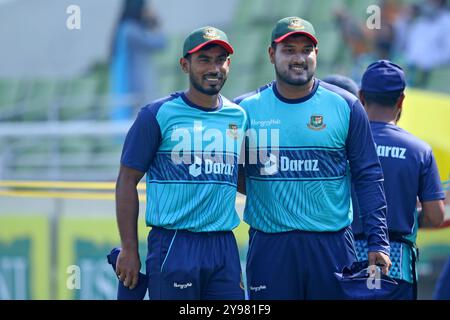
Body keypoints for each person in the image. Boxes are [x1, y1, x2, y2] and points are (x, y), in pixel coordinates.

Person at [234, 16, 391, 300]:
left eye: (306, 50)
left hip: (330, 245)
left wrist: (378, 241)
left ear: (316, 54)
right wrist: (270, 188)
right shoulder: (244, 110)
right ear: (271, 54)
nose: (299, 58)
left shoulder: (346, 105)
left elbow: (368, 176)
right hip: (271, 246)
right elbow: (231, 173)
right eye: (289, 50)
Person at [115, 26, 247, 300]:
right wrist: (128, 248)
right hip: (174, 243)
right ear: (184, 64)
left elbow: (242, 178)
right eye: (204, 59)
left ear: (229, 64)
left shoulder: (239, 116)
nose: (214, 67)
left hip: (224, 245)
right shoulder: (156, 114)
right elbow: (127, 180)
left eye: (220, 59)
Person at [351, 60, 446, 300]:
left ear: (361, 96)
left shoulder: (344, 145)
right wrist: (408, 214)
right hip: (396, 267)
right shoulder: (419, 150)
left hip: (347, 262)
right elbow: (436, 216)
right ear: (401, 100)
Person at [109, 0, 166, 121]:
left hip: (134, 85)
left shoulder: (125, 29)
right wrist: (155, 22)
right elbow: (160, 43)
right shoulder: (131, 30)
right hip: (135, 86)